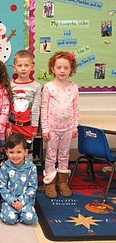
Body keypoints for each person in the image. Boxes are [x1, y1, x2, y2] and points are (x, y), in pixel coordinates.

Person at [41, 51, 79, 199]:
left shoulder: (74, 87)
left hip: (68, 129)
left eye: (66, 68)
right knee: (50, 156)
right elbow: (44, 109)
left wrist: (75, 126)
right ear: (53, 69)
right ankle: (50, 182)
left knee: (64, 155)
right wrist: (45, 128)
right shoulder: (49, 87)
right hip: (52, 129)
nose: (62, 71)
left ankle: (62, 182)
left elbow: (76, 109)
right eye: (59, 67)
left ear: (71, 70)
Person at [6, 50, 41, 160]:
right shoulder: (10, 85)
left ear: (32, 66)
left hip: (28, 127)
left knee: (27, 154)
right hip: (13, 127)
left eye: (26, 65)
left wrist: (35, 127)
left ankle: (27, 175)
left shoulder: (36, 86)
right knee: (13, 153)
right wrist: (7, 125)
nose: (23, 68)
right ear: (14, 67)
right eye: (20, 65)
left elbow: (35, 109)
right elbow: (6, 107)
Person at [0, 133, 38, 225]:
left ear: (26, 152)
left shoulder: (31, 168)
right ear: (7, 152)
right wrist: (12, 201)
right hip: (9, 201)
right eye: (11, 152)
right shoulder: (5, 167)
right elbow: (2, 187)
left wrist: (21, 201)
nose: (15, 156)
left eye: (19, 152)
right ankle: (12, 213)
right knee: (10, 219)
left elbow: (32, 188)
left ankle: (22, 213)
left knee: (30, 219)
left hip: (26, 201)